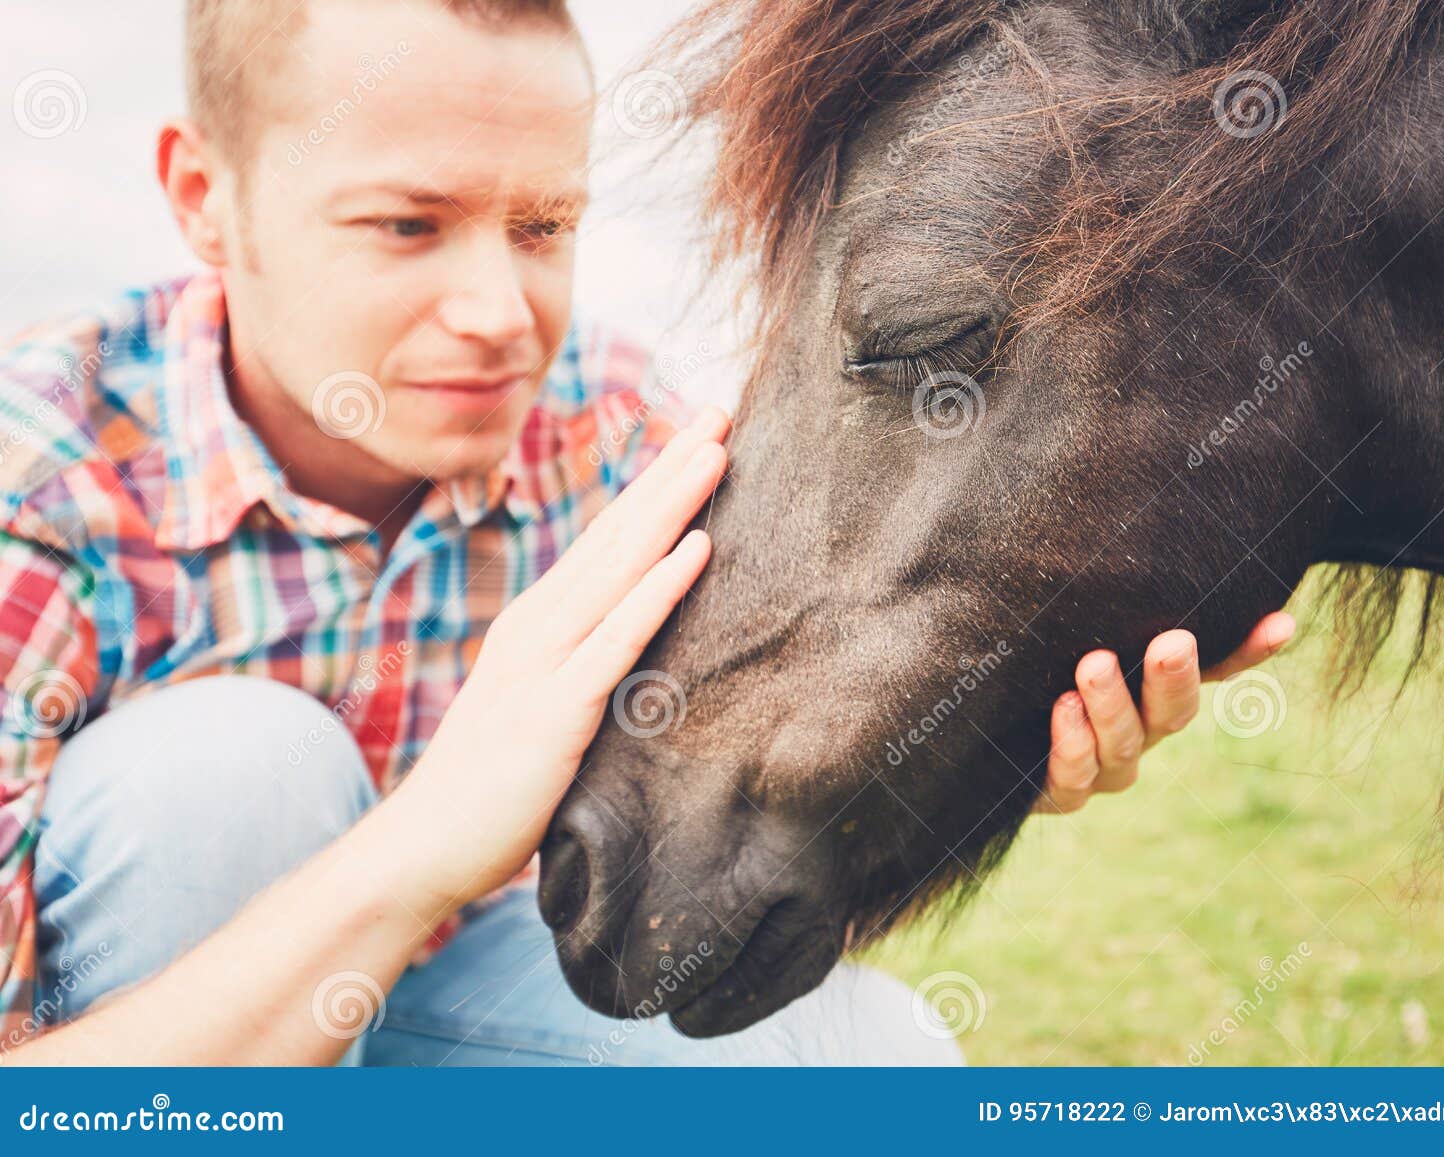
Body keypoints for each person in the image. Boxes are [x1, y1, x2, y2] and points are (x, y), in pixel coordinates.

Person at [0, 0, 1294, 1065]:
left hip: (456, 991)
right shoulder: (40, 485)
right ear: (202, 197)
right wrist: (413, 852)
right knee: (228, 771)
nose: (501, 311)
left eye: (542, 227)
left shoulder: (617, 433)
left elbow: (807, 687)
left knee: (881, 1068)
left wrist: (1007, 693)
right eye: (407, 224)